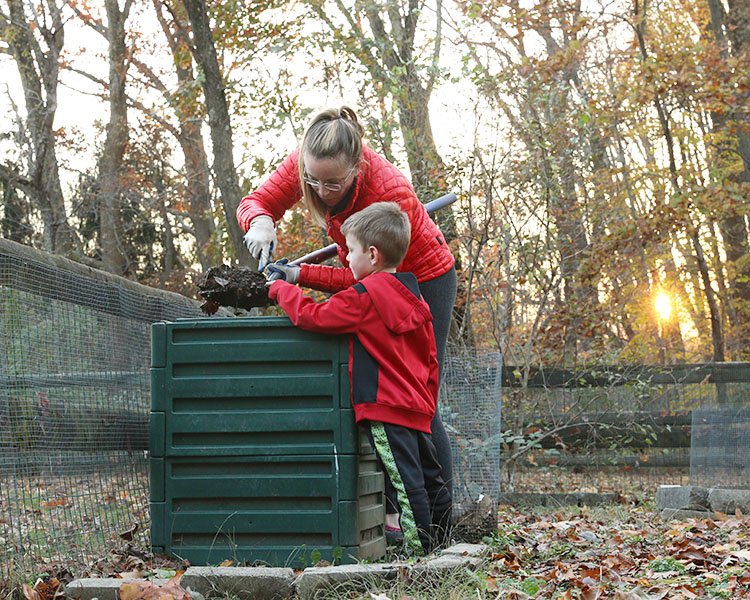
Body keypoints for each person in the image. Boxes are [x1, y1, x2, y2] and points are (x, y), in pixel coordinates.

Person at [237, 106, 457, 540]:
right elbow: (257, 201)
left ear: (357, 168)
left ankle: (432, 523)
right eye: (312, 180)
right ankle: (401, 516)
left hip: (423, 277)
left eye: (332, 183)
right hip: (370, 277)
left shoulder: (389, 193)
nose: (320, 190)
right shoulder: (310, 157)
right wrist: (260, 220)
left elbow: (352, 290)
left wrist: (287, 288)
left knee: (414, 399)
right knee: (387, 398)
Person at [267, 202, 452, 554]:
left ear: (372, 253)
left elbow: (315, 316)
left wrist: (281, 290)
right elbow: (430, 360)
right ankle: (443, 543)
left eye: (350, 250)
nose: (346, 259)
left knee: (404, 484)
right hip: (416, 409)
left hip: (385, 408)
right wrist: (427, 405)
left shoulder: (364, 297)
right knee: (431, 478)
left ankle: (422, 554)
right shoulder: (416, 298)